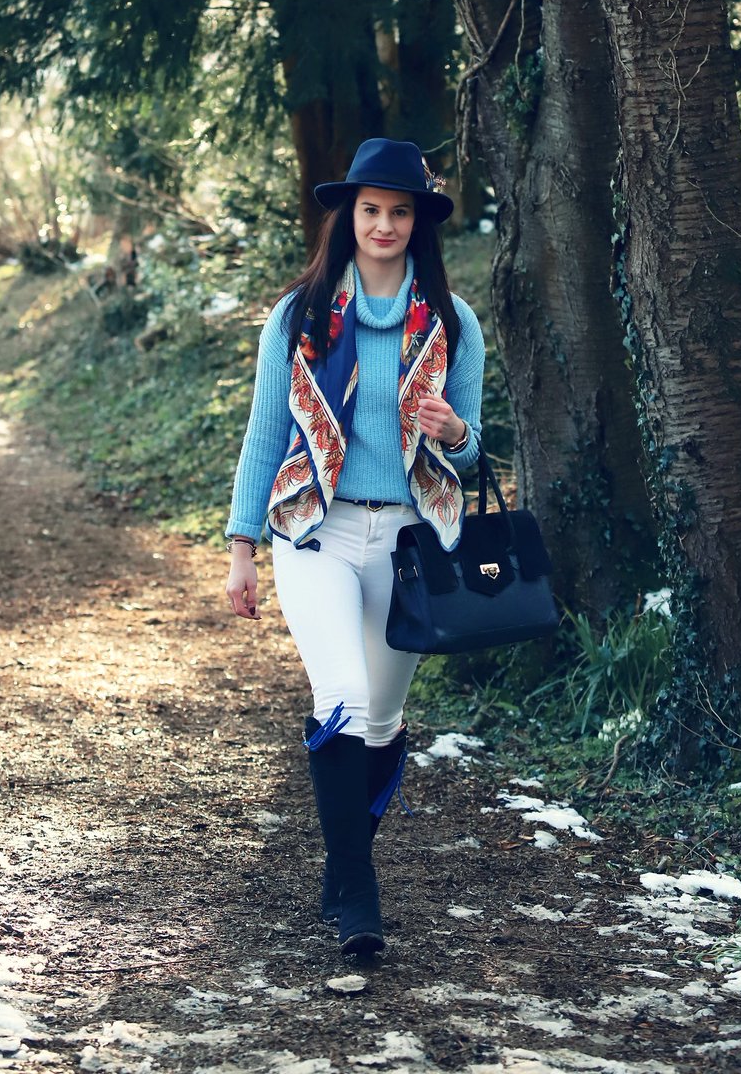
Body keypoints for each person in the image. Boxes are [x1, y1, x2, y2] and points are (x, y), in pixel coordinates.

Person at [225, 138, 485, 957]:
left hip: (409, 543)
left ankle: (344, 871)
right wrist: (240, 548)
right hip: (315, 531)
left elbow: (472, 451)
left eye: (398, 211)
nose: (383, 224)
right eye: (370, 209)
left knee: (381, 715)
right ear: (348, 216)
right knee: (339, 697)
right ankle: (358, 895)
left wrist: (458, 432)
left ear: (419, 222)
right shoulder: (300, 313)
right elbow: (267, 432)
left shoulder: (448, 322)